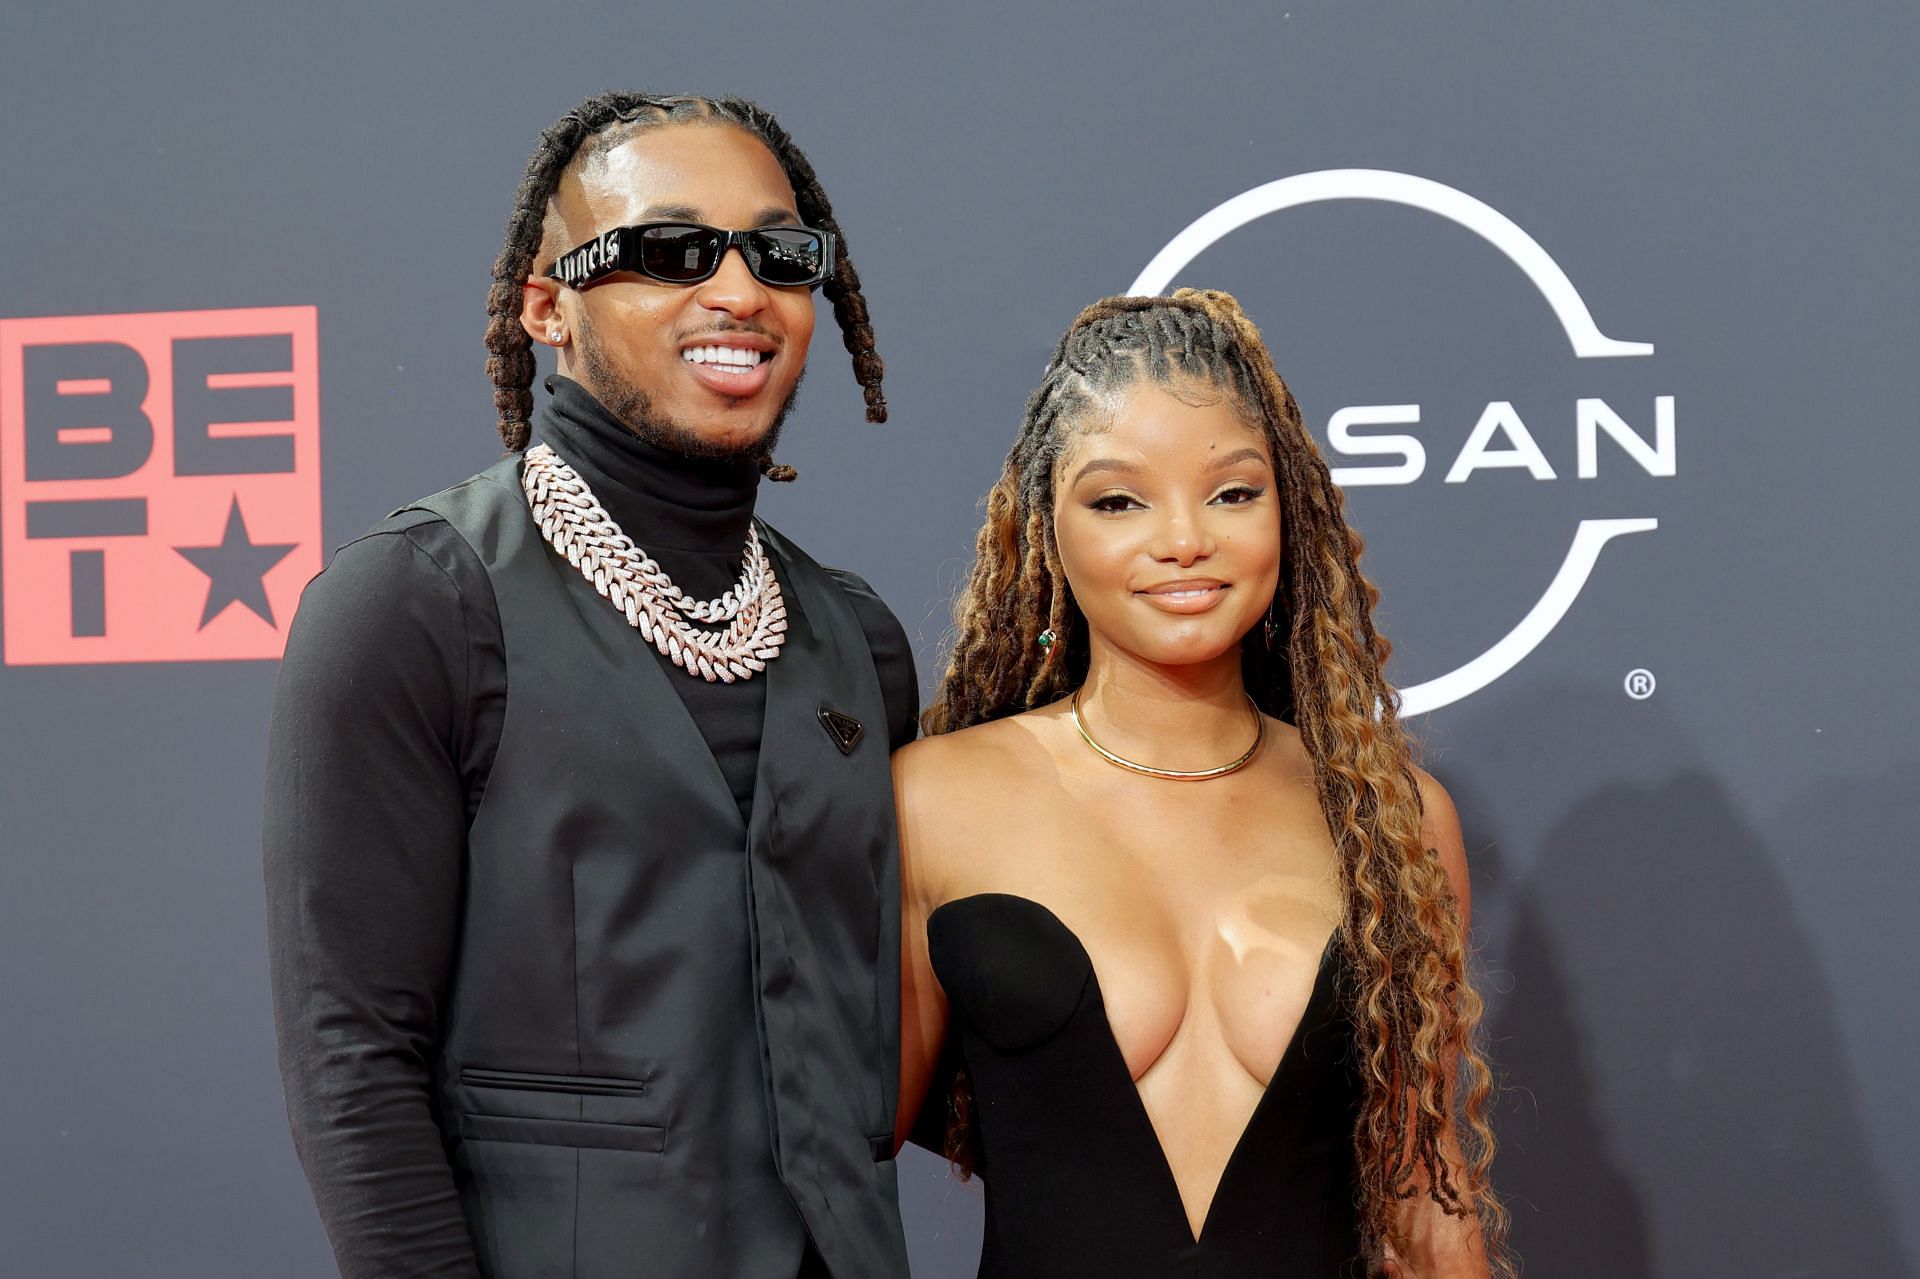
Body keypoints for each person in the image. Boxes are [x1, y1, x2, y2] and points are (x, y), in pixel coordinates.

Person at [265, 93, 916, 1279]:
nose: (737, 290)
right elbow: (353, 1060)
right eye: (669, 251)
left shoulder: (855, 640)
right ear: (546, 305)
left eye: (780, 252)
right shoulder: (415, 606)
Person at [893, 290, 1510, 1277]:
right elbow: (833, 1146)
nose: (1184, 538)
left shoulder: (1392, 822)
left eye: (1232, 492)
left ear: (1288, 511)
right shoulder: (933, 801)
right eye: (1118, 499)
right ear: (1045, 527)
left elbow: (1425, 1206)